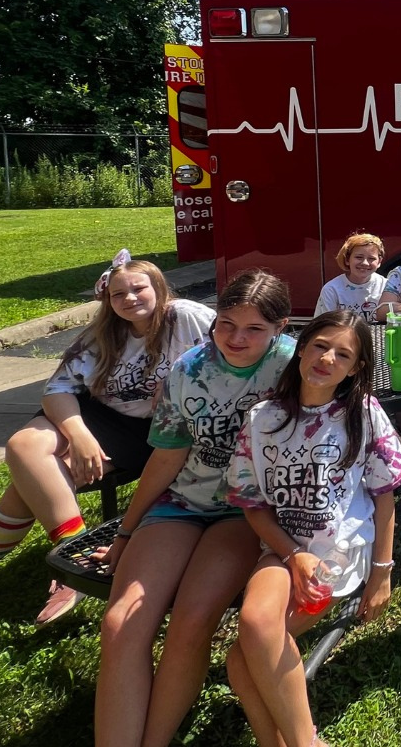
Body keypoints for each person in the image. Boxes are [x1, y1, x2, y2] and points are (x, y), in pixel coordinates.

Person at [95, 270, 295, 747]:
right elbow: (168, 456)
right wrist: (125, 532)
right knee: (120, 624)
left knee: (189, 622)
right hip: (182, 501)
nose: (236, 338)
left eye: (254, 329)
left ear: (280, 327)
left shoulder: (296, 367)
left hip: (246, 511)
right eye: (227, 324)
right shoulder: (188, 369)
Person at [224, 311, 401, 747]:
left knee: (242, 657)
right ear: (302, 348)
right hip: (282, 549)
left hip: (339, 553)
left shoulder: (362, 414)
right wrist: (292, 555)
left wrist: (382, 573)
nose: (328, 359)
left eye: (342, 355)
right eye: (320, 346)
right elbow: (253, 505)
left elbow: (385, 498)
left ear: (356, 367)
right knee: (253, 626)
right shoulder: (262, 418)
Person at [0, 250, 214, 624]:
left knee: (36, 480)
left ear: (158, 288)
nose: (129, 298)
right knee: (23, 445)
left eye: (138, 289)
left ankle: (64, 558)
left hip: (145, 429)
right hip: (91, 415)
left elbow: (231, 351)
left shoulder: (186, 317)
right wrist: (79, 435)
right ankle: (76, 553)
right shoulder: (101, 335)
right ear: (108, 300)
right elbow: (57, 389)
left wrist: (180, 383)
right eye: (118, 294)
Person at [315, 232, 386, 320]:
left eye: (371, 258)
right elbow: (323, 324)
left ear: (379, 261)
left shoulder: (386, 287)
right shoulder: (332, 289)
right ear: (347, 259)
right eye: (359, 257)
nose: (365, 263)